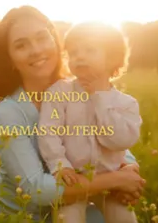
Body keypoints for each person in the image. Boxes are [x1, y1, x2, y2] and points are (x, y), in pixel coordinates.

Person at [0, 6, 145, 220]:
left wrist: (129, 167)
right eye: (21, 45)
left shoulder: (82, 87)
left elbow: (105, 136)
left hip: (76, 199)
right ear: (10, 59)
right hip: (25, 214)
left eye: (42, 38)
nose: (36, 50)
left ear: (55, 41)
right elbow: (35, 189)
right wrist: (116, 180)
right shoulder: (8, 112)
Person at [37, 21, 142, 222]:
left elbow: (120, 141)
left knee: (125, 218)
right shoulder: (59, 92)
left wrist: (99, 98)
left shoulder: (126, 103)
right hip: (74, 180)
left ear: (112, 58)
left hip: (112, 184)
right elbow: (48, 132)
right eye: (74, 53)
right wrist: (60, 165)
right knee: (67, 218)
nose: (80, 56)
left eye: (89, 50)